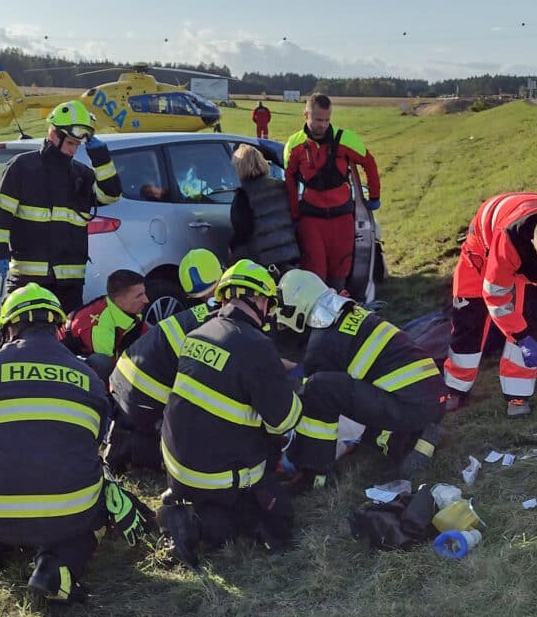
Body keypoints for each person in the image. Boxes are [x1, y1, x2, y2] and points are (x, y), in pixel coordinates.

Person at [0, 284, 151, 602]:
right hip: (70, 514)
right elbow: (95, 439)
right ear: (58, 327)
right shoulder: (88, 377)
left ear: (9, 327)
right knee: (88, 487)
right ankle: (57, 564)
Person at [158, 259, 303, 567]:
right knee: (278, 518)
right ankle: (194, 524)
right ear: (262, 300)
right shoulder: (255, 345)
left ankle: (184, 508)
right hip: (214, 476)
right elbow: (284, 421)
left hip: (174, 462)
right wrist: (300, 390)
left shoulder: (199, 333)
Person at [277, 270, 446, 483]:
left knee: (317, 392)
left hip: (410, 405)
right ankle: (415, 439)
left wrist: (293, 455)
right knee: (348, 401)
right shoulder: (354, 314)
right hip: (431, 395)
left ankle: (314, 471)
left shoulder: (321, 345)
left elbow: (310, 403)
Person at [443, 192, 537, 418]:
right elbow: (495, 297)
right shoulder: (508, 242)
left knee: (533, 318)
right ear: (535, 247)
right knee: (469, 319)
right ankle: (455, 387)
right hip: (484, 245)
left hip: (527, 240)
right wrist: (520, 337)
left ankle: (517, 396)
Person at [0, 100, 122, 315]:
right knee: (23, 343)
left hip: (69, 283)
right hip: (29, 280)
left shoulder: (82, 174)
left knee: (66, 344)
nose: (73, 150)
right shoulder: (22, 167)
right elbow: (0, 212)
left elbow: (111, 195)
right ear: (53, 135)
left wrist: (101, 159)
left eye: (77, 145)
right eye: (70, 143)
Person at [108, 249, 224, 472]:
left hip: (122, 378)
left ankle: (129, 438)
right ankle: (137, 451)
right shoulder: (219, 322)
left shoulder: (194, 315)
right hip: (142, 395)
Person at [284, 93, 381, 291]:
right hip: (311, 220)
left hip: (342, 218)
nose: (323, 125)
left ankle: (339, 307)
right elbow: (290, 182)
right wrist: (294, 215)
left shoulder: (346, 139)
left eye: (327, 120)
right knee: (315, 271)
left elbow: (369, 163)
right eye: (318, 119)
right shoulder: (294, 145)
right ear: (306, 115)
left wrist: (374, 196)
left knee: (340, 271)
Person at [62, 269, 148, 383]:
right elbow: (110, 370)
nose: (146, 300)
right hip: (67, 361)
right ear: (119, 301)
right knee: (103, 363)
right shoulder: (101, 328)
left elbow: (147, 338)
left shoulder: (125, 308)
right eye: (139, 296)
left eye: (144, 293)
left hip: (93, 352)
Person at [229, 144, 301, 275]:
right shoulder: (281, 186)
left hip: (264, 262)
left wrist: (231, 248)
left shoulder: (243, 195)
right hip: (292, 256)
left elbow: (242, 231)